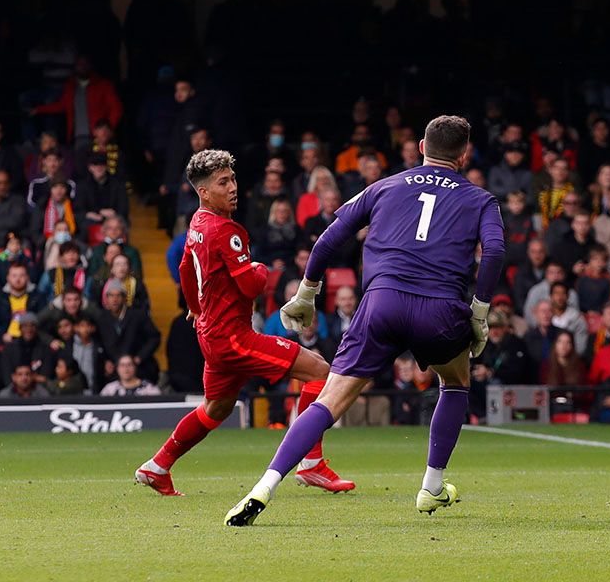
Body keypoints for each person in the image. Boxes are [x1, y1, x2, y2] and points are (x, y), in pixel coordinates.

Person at [227, 115, 504, 525]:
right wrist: (479, 312)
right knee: (456, 382)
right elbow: (495, 252)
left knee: (330, 400)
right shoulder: (480, 199)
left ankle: (263, 487)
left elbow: (329, 237)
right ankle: (431, 485)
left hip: (381, 304)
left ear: (422, 149)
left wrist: (306, 292)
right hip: (440, 310)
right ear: (463, 155)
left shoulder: (385, 185)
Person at [136, 149, 352, 497]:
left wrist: (193, 307)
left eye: (233, 179)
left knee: (216, 408)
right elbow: (253, 284)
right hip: (233, 338)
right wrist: (263, 269)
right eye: (223, 182)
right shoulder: (225, 230)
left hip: (213, 335)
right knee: (319, 371)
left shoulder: (197, 223)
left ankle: (158, 466)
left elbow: (183, 270)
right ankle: (311, 464)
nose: (233, 187)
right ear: (204, 191)